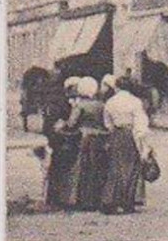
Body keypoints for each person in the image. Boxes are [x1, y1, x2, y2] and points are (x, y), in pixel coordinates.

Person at [99, 75, 151, 214]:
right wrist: (143, 142)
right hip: (130, 134)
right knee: (132, 168)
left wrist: (112, 131)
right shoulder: (135, 102)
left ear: (117, 86)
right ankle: (128, 201)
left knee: (115, 167)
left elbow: (107, 122)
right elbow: (140, 122)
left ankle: (111, 200)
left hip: (116, 134)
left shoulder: (110, 102)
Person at [57, 76, 110, 212]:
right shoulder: (101, 105)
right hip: (101, 139)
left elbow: (71, 123)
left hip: (85, 138)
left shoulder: (80, 106)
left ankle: (84, 200)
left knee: (83, 170)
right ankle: (98, 199)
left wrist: (61, 126)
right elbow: (107, 124)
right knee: (98, 169)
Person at [43, 77, 81, 210]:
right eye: (76, 87)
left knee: (64, 169)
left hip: (65, 138)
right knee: (58, 168)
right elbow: (51, 124)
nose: (78, 90)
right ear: (70, 88)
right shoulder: (59, 103)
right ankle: (55, 199)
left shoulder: (70, 101)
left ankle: (60, 198)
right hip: (59, 139)